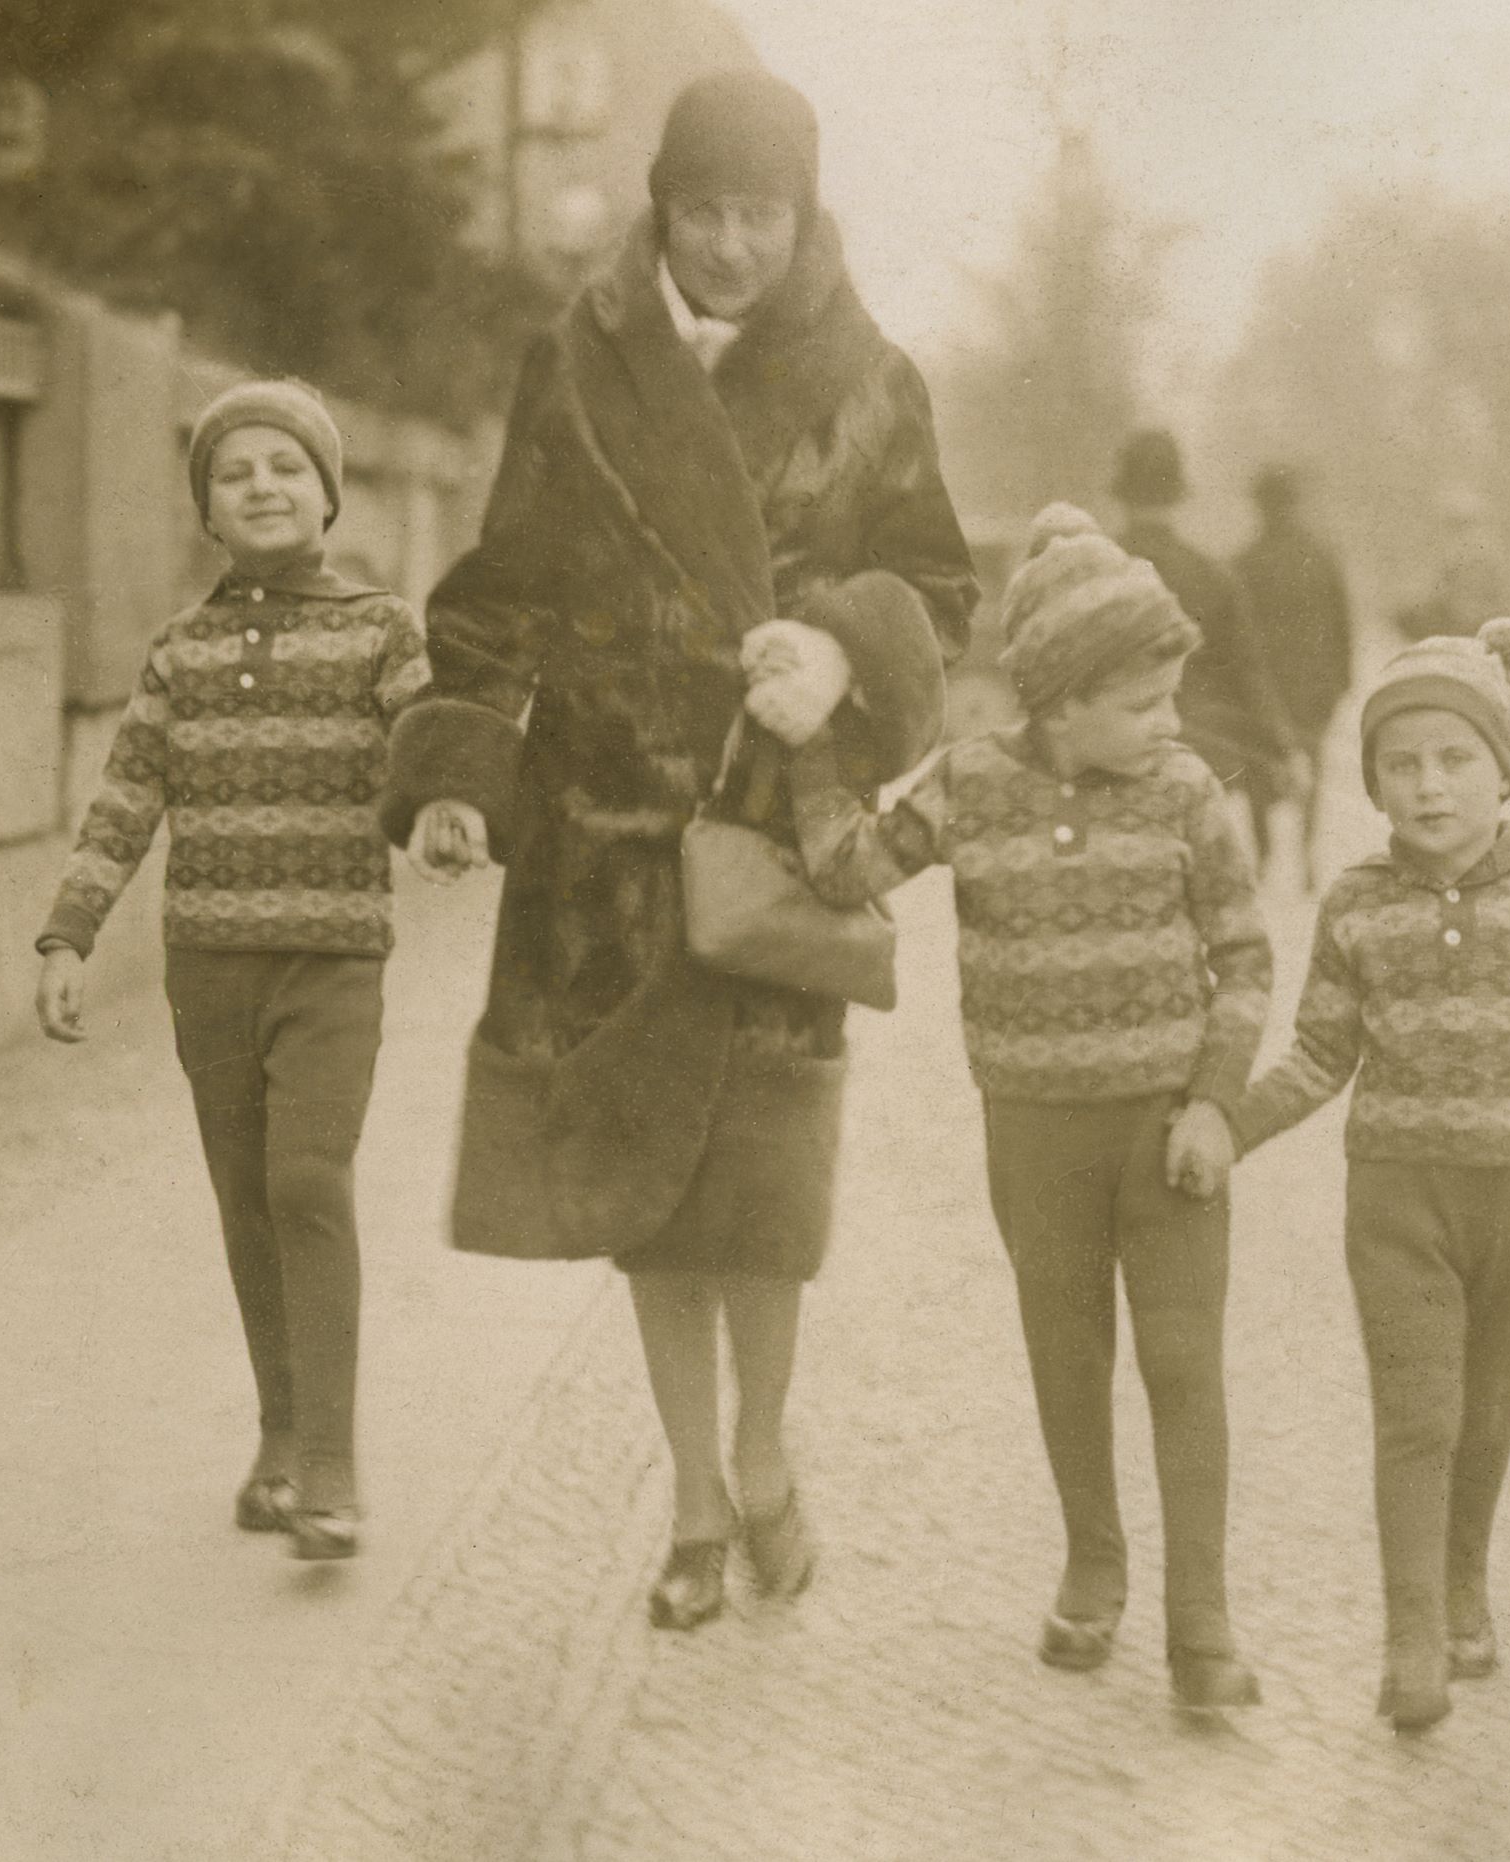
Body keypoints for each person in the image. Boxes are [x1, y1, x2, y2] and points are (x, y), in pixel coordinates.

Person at [378, 70, 977, 1630]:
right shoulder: (574, 365)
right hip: (609, 834)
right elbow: (500, 581)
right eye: (700, 210)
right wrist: (461, 764)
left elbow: (938, 586)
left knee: (758, 1188)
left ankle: (763, 1454)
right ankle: (696, 1505)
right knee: (648, 1197)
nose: (726, 245)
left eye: (756, 214)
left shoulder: (873, 379)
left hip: (776, 827)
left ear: (802, 214)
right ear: (662, 205)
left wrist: (846, 654)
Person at [788, 503, 1269, 1710]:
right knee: (1066, 1355)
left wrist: (1216, 1103)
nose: (1168, 726)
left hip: (1167, 1135)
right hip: (1032, 1133)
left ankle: (1200, 1623)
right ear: (1057, 701)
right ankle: (1093, 1563)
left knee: (1181, 1364)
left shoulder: (1186, 794)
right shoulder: (971, 782)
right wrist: (804, 742)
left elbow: (1247, 959)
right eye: (1142, 703)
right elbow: (845, 866)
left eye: (1171, 700)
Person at [1172, 618, 1510, 1732]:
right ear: (1372, 785)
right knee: (1417, 1415)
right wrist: (1226, 1127)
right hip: (1398, 1201)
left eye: (1455, 759)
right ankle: (1412, 1639)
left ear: (1502, 770)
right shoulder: (1357, 903)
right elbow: (1316, 1053)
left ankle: (1462, 1584)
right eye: (1399, 764)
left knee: (1487, 1412)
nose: (1428, 785)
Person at [34, 380, 434, 1562]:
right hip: (207, 966)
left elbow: (428, 755)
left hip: (330, 962)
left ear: (326, 492)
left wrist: (453, 812)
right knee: (248, 1201)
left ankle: (331, 1464)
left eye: (284, 467)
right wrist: (68, 931)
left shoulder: (378, 626)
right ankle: (277, 1433)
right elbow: (124, 798)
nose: (261, 486)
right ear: (207, 509)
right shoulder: (182, 647)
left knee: (308, 1181)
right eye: (233, 472)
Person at [1108, 428, 1303, 838]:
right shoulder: (1213, 577)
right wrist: (1284, 748)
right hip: (1196, 755)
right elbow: (1249, 674)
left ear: (1121, 493)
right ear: (1178, 494)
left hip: (1106, 753)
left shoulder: (1090, 567)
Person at [1232, 463, 1352, 888]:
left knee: (1258, 777)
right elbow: (1343, 625)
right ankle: (1304, 857)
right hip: (1312, 689)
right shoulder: (1321, 557)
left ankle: (1267, 860)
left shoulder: (1245, 562)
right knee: (1310, 771)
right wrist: (1341, 682)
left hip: (1263, 691)